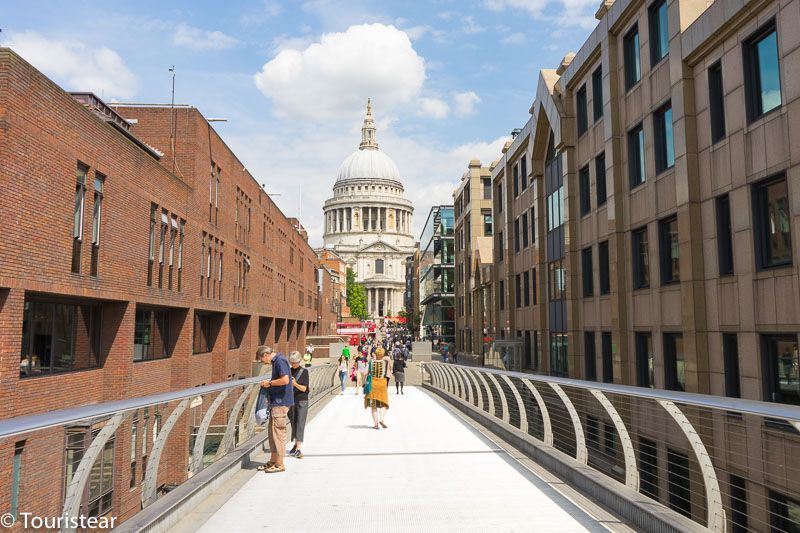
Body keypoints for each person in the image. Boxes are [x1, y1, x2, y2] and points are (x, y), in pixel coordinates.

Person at [256, 346, 294, 473]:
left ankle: (279, 464)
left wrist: (270, 383)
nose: (263, 362)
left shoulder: (280, 360)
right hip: (276, 402)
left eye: (262, 360)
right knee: (272, 432)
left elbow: (285, 380)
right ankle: (273, 460)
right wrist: (270, 381)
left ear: (266, 354)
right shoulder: (277, 360)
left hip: (280, 402)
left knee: (278, 432)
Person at [288, 351, 310, 459]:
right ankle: (295, 445)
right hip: (291, 401)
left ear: (299, 361)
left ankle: (298, 449)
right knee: (293, 423)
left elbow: (304, 389)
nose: (293, 364)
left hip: (302, 400)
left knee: (300, 423)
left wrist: (295, 384)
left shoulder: (304, 372)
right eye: (291, 362)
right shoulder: (288, 371)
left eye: (295, 362)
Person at [365, 346, 392, 429]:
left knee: (373, 406)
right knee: (384, 403)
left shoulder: (371, 362)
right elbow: (389, 371)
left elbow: (365, 373)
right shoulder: (385, 362)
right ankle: (382, 419)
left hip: (373, 384)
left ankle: (376, 424)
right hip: (382, 384)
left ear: (375, 354)